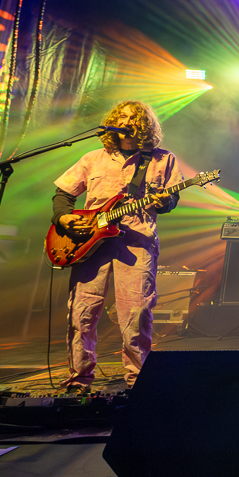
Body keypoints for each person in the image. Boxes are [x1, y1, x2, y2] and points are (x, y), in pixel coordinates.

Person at [52, 101, 183, 389]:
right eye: (120, 117)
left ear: (144, 124)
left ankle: (139, 381)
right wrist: (63, 218)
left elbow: (170, 201)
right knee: (82, 312)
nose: (125, 121)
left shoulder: (163, 160)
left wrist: (165, 201)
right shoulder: (94, 158)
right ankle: (79, 377)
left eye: (132, 117)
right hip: (89, 242)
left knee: (137, 313)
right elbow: (63, 193)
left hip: (137, 242)